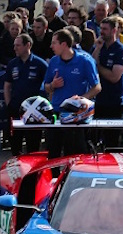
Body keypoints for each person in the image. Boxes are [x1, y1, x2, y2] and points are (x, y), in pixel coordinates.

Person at [44, 29, 101, 159]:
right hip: (57, 112)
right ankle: (53, 172)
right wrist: (53, 85)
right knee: (52, 152)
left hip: (76, 115)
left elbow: (97, 87)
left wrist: (81, 99)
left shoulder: (85, 61)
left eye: (54, 43)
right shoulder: (54, 61)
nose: (51, 46)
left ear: (64, 44)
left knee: (74, 154)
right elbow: (46, 86)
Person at [4, 33, 48, 155]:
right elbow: (7, 85)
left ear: (28, 45)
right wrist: (9, 104)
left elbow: (48, 85)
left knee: (33, 146)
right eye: (14, 45)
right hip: (15, 108)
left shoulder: (40, 64)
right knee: (15, 144)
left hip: (34, 111)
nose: (15, 48)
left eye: (18, 45)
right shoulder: (12, 64)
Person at [92, 16, 123, 147]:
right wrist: (97, 49)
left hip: (114, 101)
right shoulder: (98, 47)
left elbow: (114, 77)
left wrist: (98, 66)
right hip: (98, 100)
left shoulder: (121, 50)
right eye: (101, 28)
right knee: (93, 138)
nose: (101, 32)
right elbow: (91, 66)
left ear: (114, 30)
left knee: (111, 141)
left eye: (105, 29)